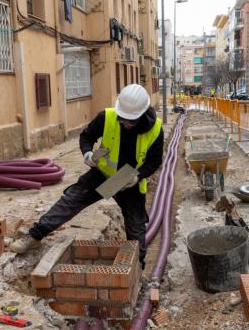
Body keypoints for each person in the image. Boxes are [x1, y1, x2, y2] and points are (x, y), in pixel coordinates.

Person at [10, 84, 164, 269]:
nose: (125, 123)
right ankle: (35, 236)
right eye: (122, 119)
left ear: (142, 113)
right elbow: (86, 136)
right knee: (71, 201)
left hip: (127, 180)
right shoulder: (107, 117)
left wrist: (138, 176)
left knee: (136, 225)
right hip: (103, 174)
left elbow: (155, 160)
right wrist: (88, 154)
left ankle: (137, 269)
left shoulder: (156, 129)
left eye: (130, 120)